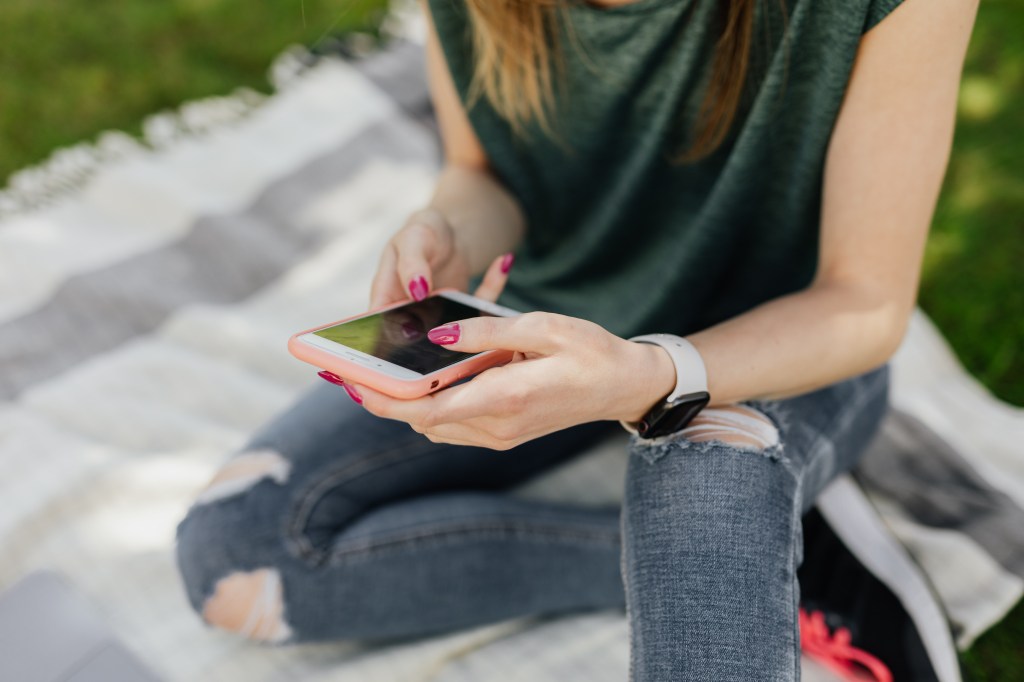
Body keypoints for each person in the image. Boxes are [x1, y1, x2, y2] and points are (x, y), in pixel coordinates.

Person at [175, 0, 978, 678]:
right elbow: (482, 172)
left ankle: (744, 559)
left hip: (779, 341)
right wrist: (449, 228)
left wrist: (645, 377)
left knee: (702, 485)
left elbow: (865, 302)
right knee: (237, 554)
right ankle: (787, 571)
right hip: (550, 319)